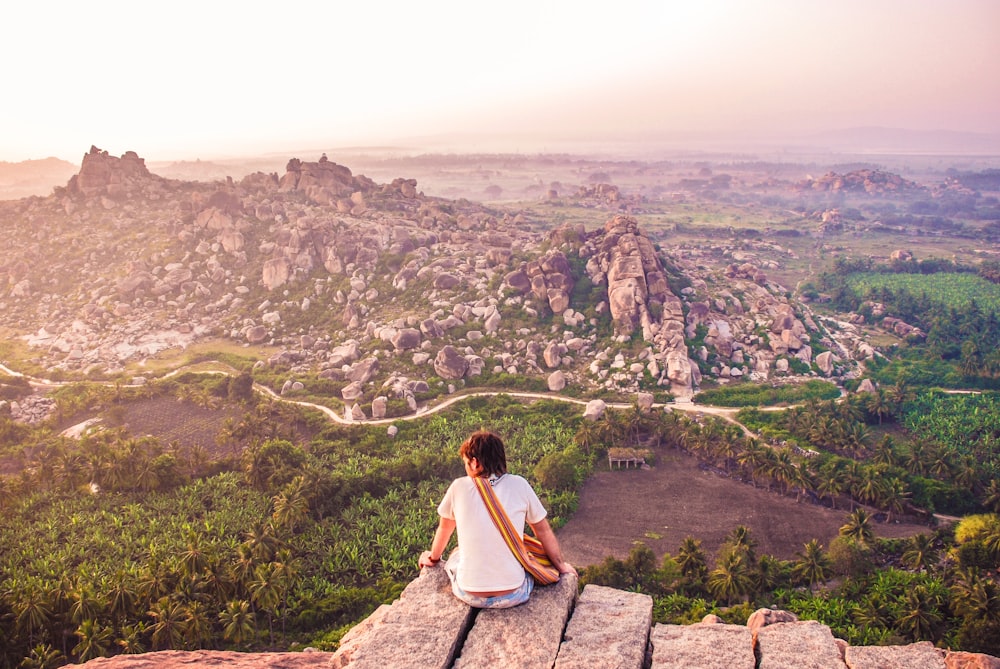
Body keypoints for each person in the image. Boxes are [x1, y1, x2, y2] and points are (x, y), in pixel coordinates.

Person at [418, 430, 577, 609]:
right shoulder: (519, 484)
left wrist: (432, 558)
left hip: (469, 594)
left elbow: (444, 529)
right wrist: (561, 566)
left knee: (457, 553)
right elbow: (543, 531)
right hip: (514, 595)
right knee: (525, 553)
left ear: (475, 462)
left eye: (465, 463)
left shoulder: (458, 487)